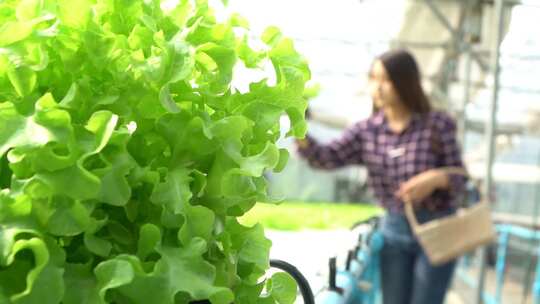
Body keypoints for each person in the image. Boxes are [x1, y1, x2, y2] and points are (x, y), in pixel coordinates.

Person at [296, 49, 467, 304]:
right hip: (395, 228)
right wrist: (298, 125)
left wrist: (434, 179)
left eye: (386, 79)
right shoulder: (367, 131)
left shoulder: (437, 124)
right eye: (374, 78)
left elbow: (459, 178)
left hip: (438, 227)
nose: (378, 87)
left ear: (406, 81)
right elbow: (326, 157)